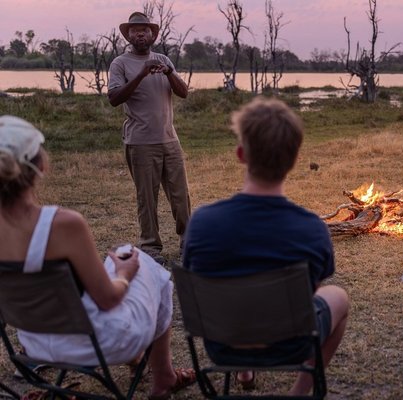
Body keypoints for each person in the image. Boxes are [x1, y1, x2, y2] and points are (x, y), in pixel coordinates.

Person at [0, 115, 195, 400]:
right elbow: (108, 298)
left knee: (112, 260)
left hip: (36, 343)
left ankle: (140, 362)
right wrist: (124, 274)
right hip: (99, 343)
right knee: (143, 262)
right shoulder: (63, 224)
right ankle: (163, 377)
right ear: (40, 166)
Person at [182, 97, 349, 395]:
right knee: (337, 297)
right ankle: (300, 391)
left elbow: (196, 280)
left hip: (223, 345)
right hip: (291, 345)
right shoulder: (312, 229)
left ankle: (244, 371)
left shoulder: (202, 222)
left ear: (241, 154)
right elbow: (309, 294)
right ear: (295, 159)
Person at [108, 12, 190, 264]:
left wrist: (168, 73)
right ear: (128, 35)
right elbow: (114, 98)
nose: (141, 34)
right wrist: (141, 74)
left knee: (180, 195)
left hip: (169, 139)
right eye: (135, 30)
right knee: (147, 196)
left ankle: (188, 242)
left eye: (145, 30)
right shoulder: (120, 64)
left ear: (153, 34)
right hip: (140, 141)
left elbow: (183, 92)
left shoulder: (164, 59)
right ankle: (151, 247)